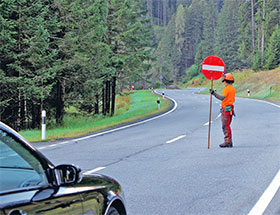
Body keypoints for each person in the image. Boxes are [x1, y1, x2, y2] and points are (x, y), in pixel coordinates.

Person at [210, 73, 236, 148]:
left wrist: (214, 93)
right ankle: (229, 141)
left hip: (226, 109)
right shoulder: (232, 89)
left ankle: (228, 141)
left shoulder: (227, 88)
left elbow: (222, 98)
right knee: (227, 125)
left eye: (224, 81)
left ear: (226, 81)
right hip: (230, 108)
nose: (224, 82)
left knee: (225, 126)